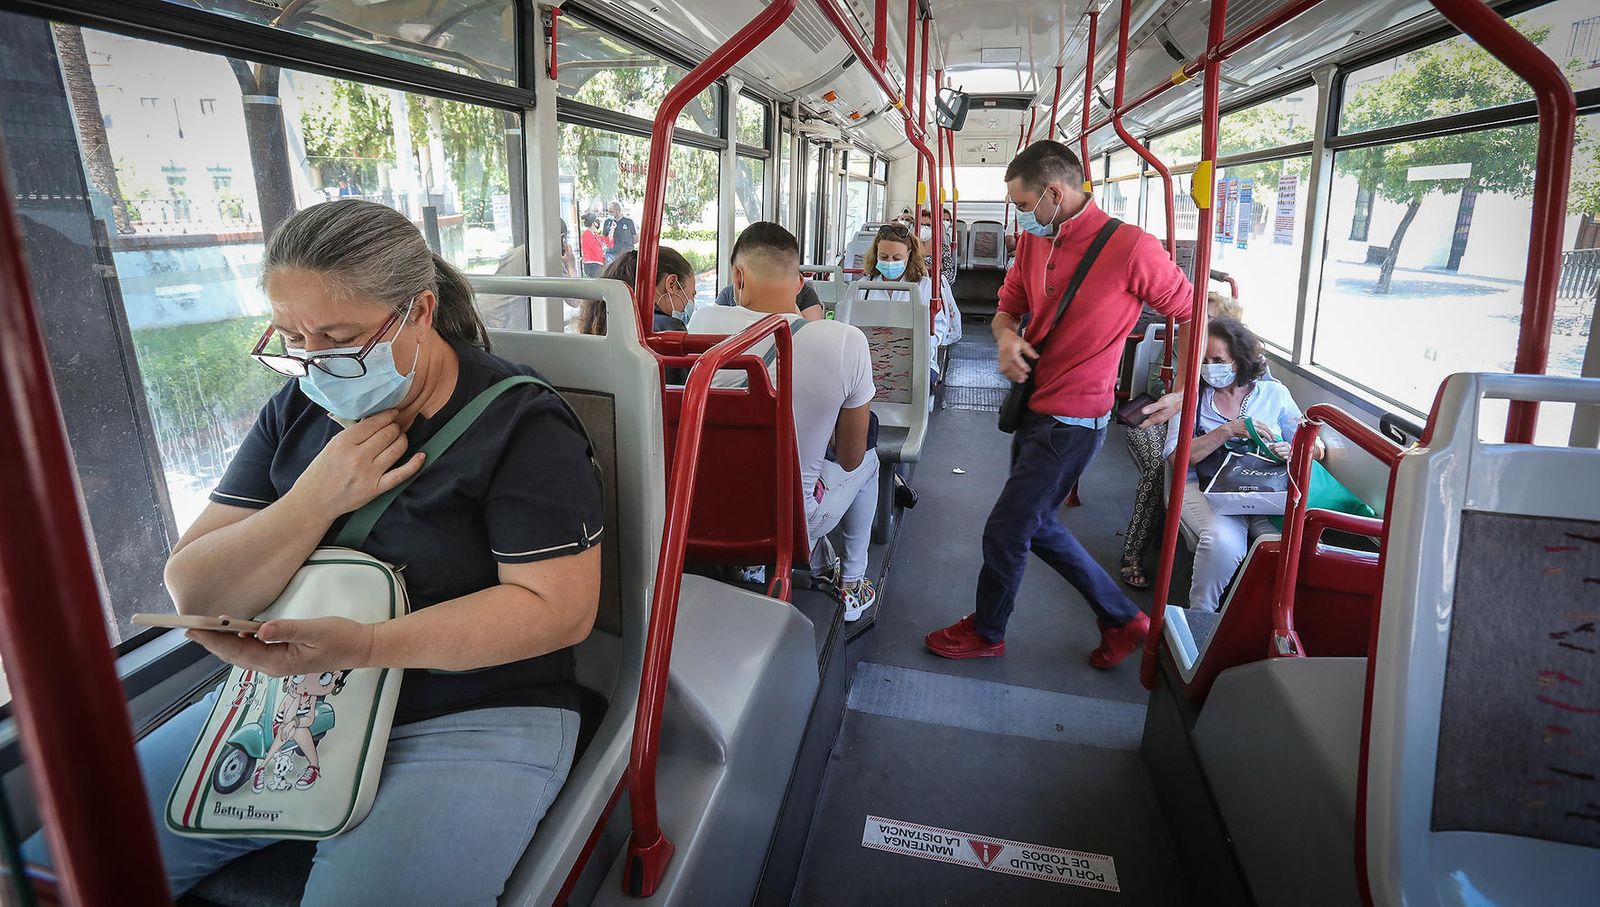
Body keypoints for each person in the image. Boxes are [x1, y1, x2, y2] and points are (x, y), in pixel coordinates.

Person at [21, 200, 602, 901]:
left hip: (474, 707)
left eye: (339, 336)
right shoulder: (297, 412)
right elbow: (195, 587)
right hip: (291, 700)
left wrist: (362, 646)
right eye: (294, 337)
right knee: (58, 865)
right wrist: (317, 496)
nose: (316, 360)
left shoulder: (520, 424)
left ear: (419, 311)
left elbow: (556, 610)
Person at [925, 140, 1191, 668]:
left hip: (1074, 421)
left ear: (1054, 192)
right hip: (1033, 406)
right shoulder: (1032, 245)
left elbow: (1193, 312)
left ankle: (988, 630)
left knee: (1008, 527)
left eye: (1025, 208)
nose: (1022, 220)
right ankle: (1120, 617)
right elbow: (1008, 310)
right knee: (1036, 523)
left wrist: (1183, 387)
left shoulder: (1132, 248)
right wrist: (1005, 338)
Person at [686, 222, 880, 621]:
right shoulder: (845, 341)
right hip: (793, 521)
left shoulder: (701, 323)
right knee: (871, 464)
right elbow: (849, 456)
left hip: (706, 509)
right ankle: (854, 582)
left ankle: (749, 563)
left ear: (737, 277)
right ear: (801, 281)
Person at [1164, 317, 1322, 612]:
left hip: (1265, 488)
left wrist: (1293, 449)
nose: (1211, 367)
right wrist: (1227, 430)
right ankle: (1200, 615)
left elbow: (1315, 445)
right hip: (1205, 487)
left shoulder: (1274, 394)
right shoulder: (1191, 399)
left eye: (1219, 360)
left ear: (1238, 360)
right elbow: (1178, 457)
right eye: (1205, 360)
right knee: (1222, 543)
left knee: (1296, 542)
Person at [1119, 291, 1245, 589]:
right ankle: (1132, 553)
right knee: (1157, 466)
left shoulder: (1236, 363)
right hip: (1157, 419)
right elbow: (1157, 387)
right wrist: (1186, 386)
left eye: (1212, 320)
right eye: (1203, 319)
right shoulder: (1185, 350)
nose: (1204, 327)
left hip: (1194, 430)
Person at [858, 222, 954, 386]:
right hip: (869, 361)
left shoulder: (924, 287)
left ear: (909, 255)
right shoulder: (863, 287)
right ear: (876, 255)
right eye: (883, 257)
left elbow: (938, 329)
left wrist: (906, 349)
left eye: (896, 258)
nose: (889, 262)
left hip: (916, 361)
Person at [576, 246, 697, 335]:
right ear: (671, 284)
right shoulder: (668, 329)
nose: (691, 301)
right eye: (692, 294)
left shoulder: (602, 322)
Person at [580, 212, 610, 277]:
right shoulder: (587, 234)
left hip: (597, 264)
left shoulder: (595, 234)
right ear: (593, 222)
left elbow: (607, 241)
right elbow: (596, 250)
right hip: (592, 264)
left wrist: (612, 229)